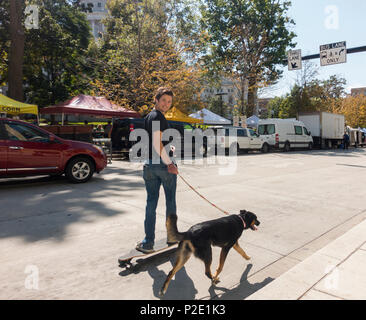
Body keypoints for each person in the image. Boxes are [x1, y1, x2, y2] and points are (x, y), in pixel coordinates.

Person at [136, 87, 179, 253]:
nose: (166, 104)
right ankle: (172, 236)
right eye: (163, 101)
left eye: (169, 102)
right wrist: (170, 163)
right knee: (170, 202)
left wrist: (169, 148)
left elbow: (157, 143)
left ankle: (148, 242)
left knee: (151, 203)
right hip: (162, 166)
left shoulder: (149, 116)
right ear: (156, 99)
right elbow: (156, 143)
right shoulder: (158, 117)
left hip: (149, 165)